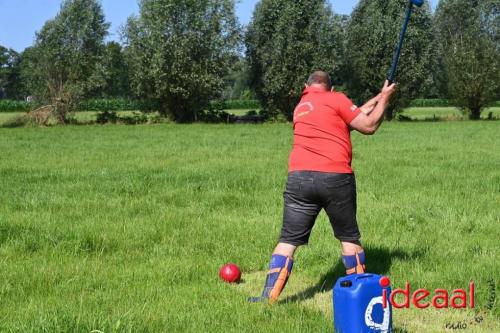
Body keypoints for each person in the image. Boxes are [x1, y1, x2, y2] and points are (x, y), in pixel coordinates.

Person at [249, 71, 396, 304]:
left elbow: (350, 114)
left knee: (288, 240)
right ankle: (358, 299)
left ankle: (268, 298)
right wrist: (386, 98)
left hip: (298, 180)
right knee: (348, 238)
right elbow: (366, 125)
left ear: (306, 85)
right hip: (335, 178)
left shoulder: (302, 106)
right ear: (331, 87)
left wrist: (378, 96)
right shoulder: (337, 98)